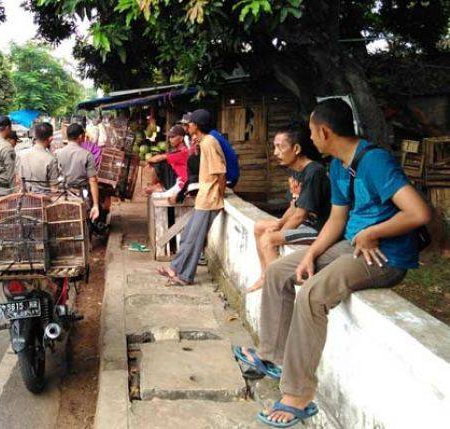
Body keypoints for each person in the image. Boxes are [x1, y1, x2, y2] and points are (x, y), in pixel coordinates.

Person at [235, 99, 431, 427]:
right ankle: (274, 357)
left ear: (325, 132)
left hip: (384, 256)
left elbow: (418, 212)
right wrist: (311, 254)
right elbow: (337, 219)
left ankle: (298, 394)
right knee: (279, 271)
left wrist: (373, 233)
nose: (310, 139)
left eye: (312, 132)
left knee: (313, 293)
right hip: (351, 245)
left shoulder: (375, 161)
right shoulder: (339, 165)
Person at [248, 123, 330, 292]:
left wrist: (280, 233)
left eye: (280, 147)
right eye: (274, 147)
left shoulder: (314, 171)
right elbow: (295, 205)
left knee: (269, 239)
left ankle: (276, 286)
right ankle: (265, 275)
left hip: (319, 228)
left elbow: (301, 215)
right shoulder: (295, 170)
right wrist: (279, 224)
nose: (276, 152)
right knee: (259, 227)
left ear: (297, 148)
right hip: (305, 223)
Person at [157, 109, 227, 285]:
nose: (187, 126)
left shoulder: (210, 143)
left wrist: (220, 195)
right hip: (204, 198)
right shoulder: (204, 142)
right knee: (189, 235)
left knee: (194, 239)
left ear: (197, 125)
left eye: (189, 123)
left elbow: (220, 173)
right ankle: (175, 268)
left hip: (209, 200)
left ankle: (185, 276)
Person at [55, 123, 100, 221]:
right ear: (80, 137)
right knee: (83, 221)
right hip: (81, 195)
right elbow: (93, 180)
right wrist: (96, 205)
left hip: (62, 194)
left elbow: (54, 177)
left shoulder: (57, 153)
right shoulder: (87, 155)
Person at [144, 125, 189, 198]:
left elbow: (159, 158)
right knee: (160, 162)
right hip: (175, 179)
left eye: (173, 137)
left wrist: (148, 161)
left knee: (159, 163)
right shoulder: (177, 151)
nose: (170, 139)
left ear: (181, 138)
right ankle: (157, 185)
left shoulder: (183, 152)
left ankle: (156, 186)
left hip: (181, 182)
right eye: (170, 137)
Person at [17, 123, 61, 193]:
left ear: (35, 136)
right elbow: (54, 188)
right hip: (43, 200)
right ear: (51, 139)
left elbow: (19, 180)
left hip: (25, 199)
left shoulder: (22, 155)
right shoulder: (51, 159)